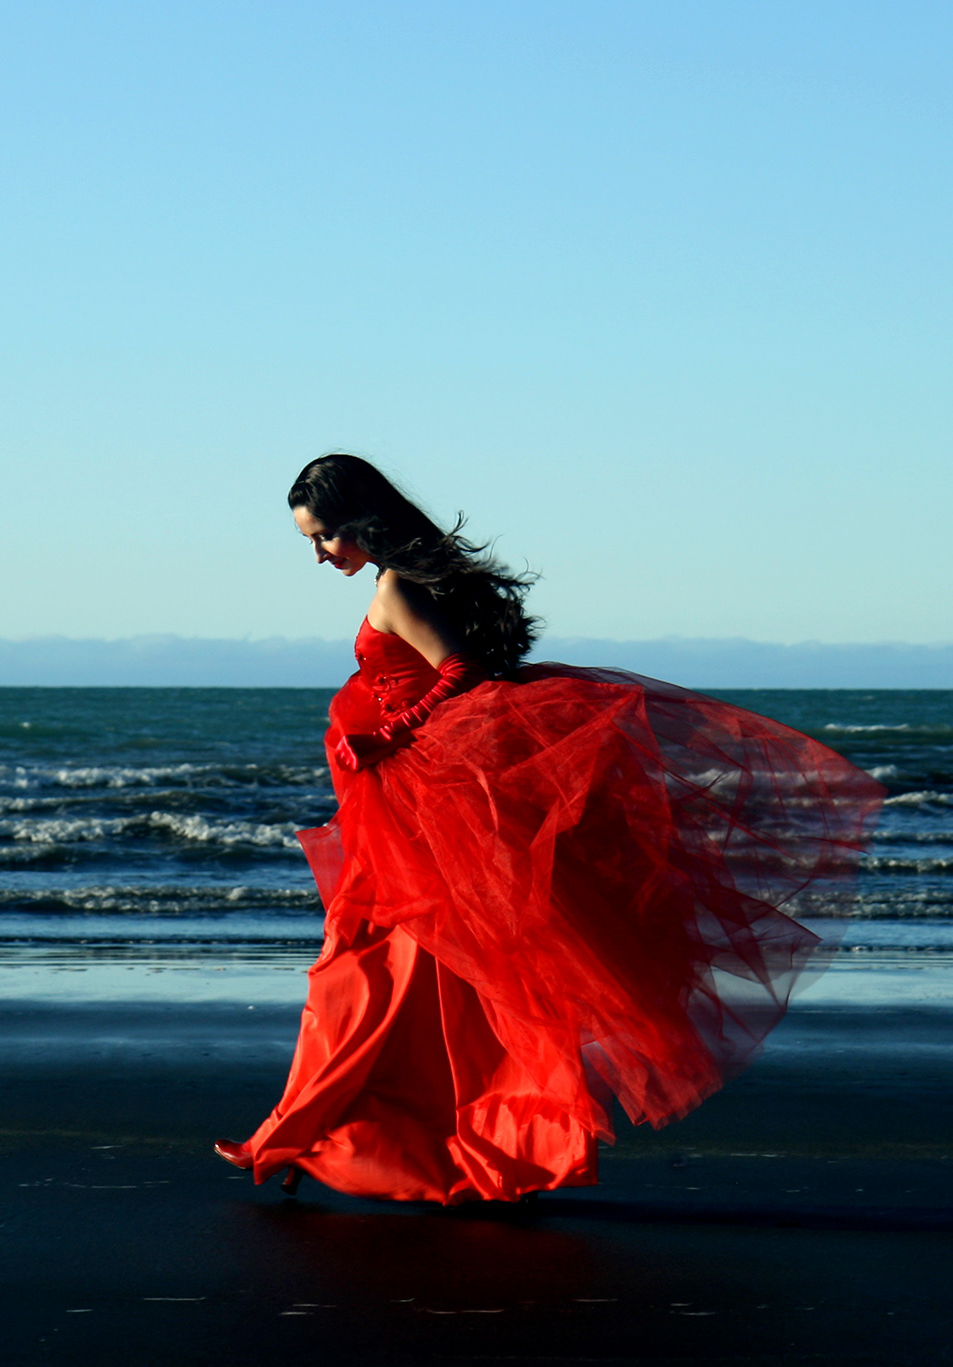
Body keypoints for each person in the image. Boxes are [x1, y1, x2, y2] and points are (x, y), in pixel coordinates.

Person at [215, 454, 883, 1204]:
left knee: (374, 973)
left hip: (415, 807)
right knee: (397, 977)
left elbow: (462, 674)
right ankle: (359, 1135)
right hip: (400, 812)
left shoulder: (399, 587)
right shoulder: (396, 581)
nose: (319, 553)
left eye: (326, 535)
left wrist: (385, 735)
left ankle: (347, 1134)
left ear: (363, 521)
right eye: (311, 540)